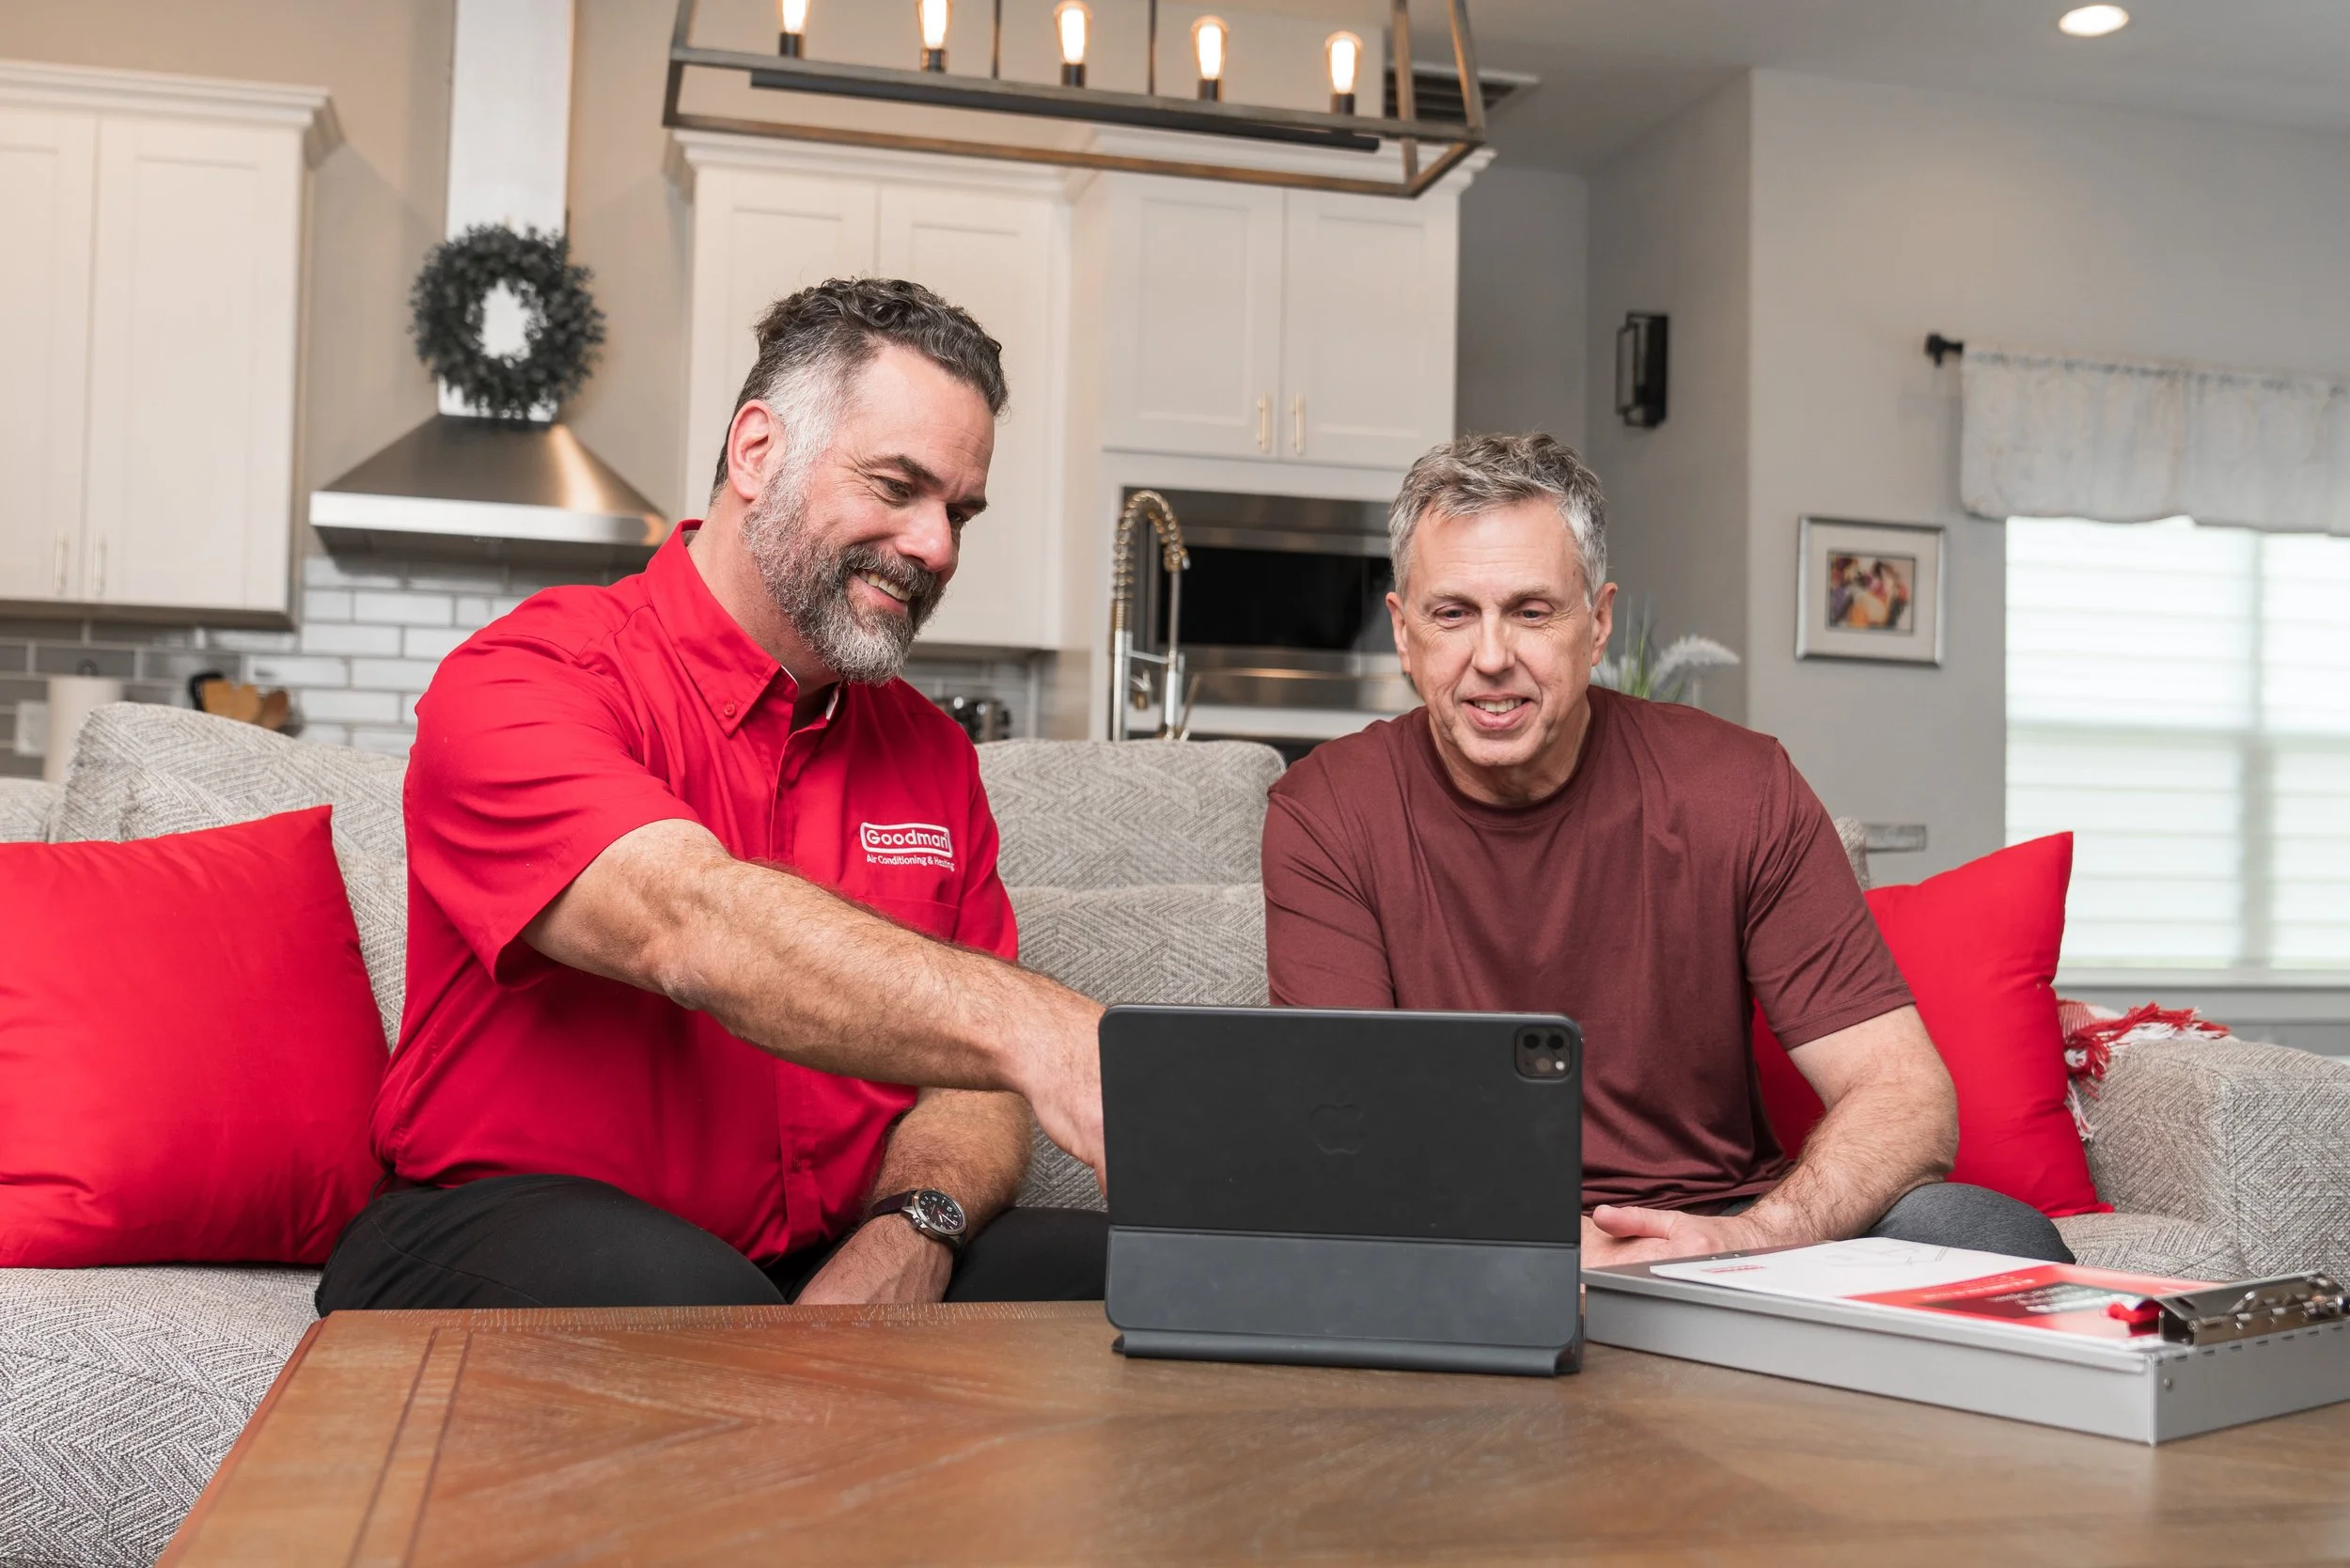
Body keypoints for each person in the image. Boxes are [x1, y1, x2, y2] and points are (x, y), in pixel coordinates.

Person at [317, 278, 1108, 1311]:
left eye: (959, 511)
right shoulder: (526, 678)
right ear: (755, 451)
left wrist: (910, 1230)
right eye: (896, 486)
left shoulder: (930, 752)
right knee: (698, 1303)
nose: (937, 547)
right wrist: (1040, 1027)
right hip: (491, 1228)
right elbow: (687, 927)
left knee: (1138, 1278)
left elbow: (971, 1084)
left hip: (811, 1247)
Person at [1261, 432, 2070, 1267]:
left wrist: (1752, 1235)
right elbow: (1339, 1128)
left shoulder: (1738, 786)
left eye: (1532, 611)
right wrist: (1549, 1253)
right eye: (1453, 614)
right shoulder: (1327, 811)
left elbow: (1904, 1094)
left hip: (1720, 1233)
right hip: (1452, 1237)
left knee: (1989, 1239)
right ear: (1404, 632)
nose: (1492, 657)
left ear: (1598, 621)